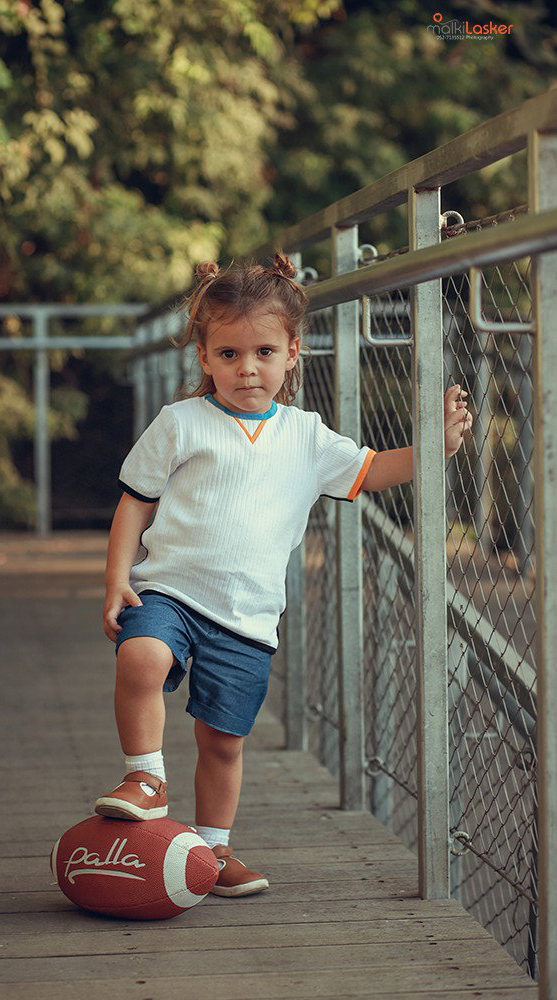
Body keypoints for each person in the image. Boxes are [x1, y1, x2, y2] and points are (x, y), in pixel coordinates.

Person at [94, 252, 473, 897]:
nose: (248, 368)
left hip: (247, 616)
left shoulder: (307, 437)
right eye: (229, 354)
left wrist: (436, 443)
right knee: (141, 656)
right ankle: (145, 777)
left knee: (223, 742)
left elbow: (371, 471)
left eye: (264, 352)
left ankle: (213, 852)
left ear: (293, 353)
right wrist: (115, 580)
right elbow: (135, 502)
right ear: (205, 357)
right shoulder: (181, 424)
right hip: (170, 591)